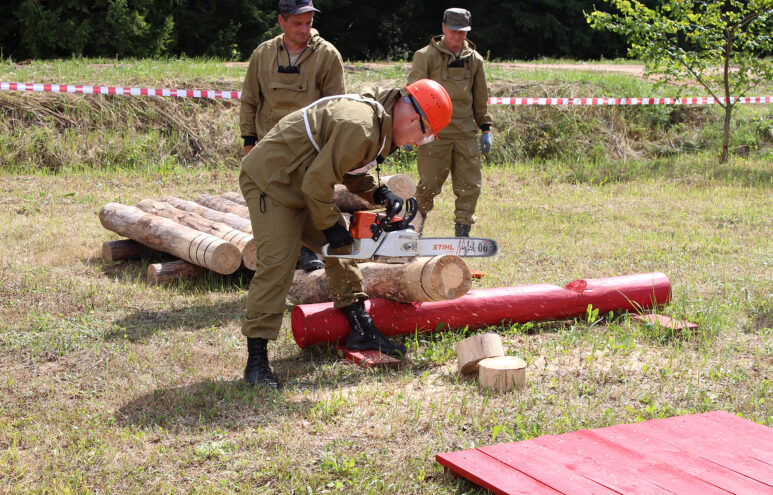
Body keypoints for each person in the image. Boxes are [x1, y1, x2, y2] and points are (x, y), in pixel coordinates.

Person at [239, 79, 453, 388]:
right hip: (272, 182)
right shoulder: (363, 126)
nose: (418, 143)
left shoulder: (379, 123)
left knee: (344, 251)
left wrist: (379, 194)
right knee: (278, 263)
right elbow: (317, 184)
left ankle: (360, 327)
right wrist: (330, 228)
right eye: (424, 135)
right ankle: (256, 359)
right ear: (412, 119)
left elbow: (349, 169)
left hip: (302, 181)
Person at [239, 0, 346, 272]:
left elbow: (336, 107)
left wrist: (332, 150)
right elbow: (250, 100)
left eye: (309, 22)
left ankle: (310, 251)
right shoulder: (263, 54)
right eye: (297, 23)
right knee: (274, 204)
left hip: (310, 148)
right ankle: (285, 253)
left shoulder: (328, 55)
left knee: (308, 199)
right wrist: (249, 141)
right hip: (269, 147)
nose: (304, 29)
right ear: (281, 21)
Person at [407, 7, 493, 237]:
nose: (458, 37)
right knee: (428, 185)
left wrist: (485, 128)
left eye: (462, 32)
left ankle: (462, 234)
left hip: (465, 133)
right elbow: (413, 95)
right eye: (454, 31)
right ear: (444, 28)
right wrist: (410, 128)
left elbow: (480, 97)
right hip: (433, 132)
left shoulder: (475, 60)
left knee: (469, 186)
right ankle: (414, 232)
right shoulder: (425, 56)